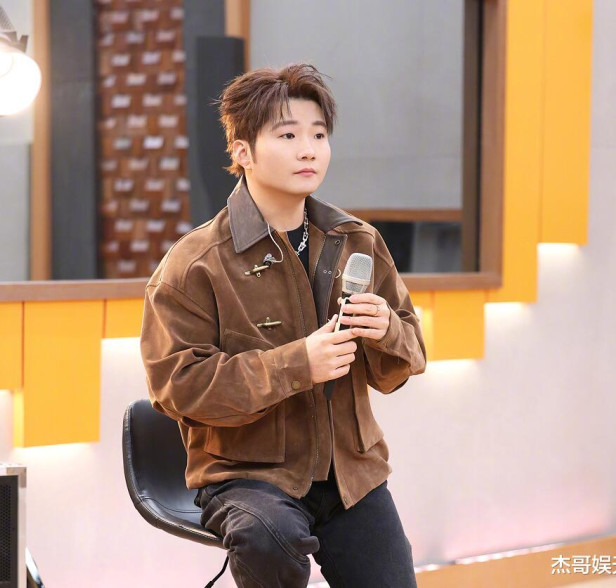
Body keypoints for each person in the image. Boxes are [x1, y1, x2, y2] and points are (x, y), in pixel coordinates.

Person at [140, 63, 426, 587]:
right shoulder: (195, 263)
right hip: (247, 477)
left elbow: (404, 364)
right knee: (268, 537)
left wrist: (387, 328)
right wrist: (297, 365)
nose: (308, 150)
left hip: (351, 474)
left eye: (319, 135)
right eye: (288, 136)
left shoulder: (358, 241)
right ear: (243, 152)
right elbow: (176, 387)